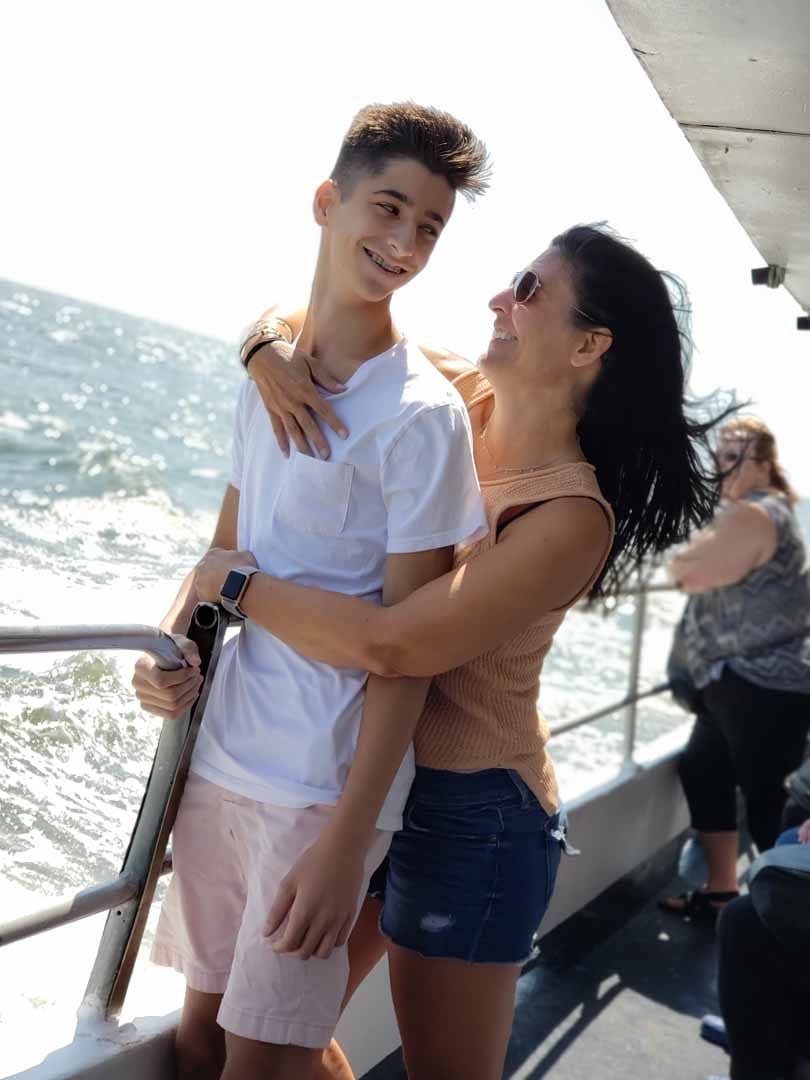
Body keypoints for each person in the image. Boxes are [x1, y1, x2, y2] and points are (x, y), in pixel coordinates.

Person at [170, 223, 722, 1080]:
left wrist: (228, 583)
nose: (500, 300)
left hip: (474, 817)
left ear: (589, 344)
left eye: (530, 290)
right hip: (365, 778)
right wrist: (261, 353)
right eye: (511, 281)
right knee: (270, 1039)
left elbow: (396, 646)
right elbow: (312, 319)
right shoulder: (460, 396)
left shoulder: (570, 516)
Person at [132, 101, 492, 1080]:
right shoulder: (269, 383)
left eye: (428, 227)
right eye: (388, 208)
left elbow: (408, 651)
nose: (405, 242)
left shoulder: (421, 418)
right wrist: (171, 658)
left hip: (321, 790)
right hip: (226, 760)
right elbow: (221, 558)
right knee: (197, 1040)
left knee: (260, 1061)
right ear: (329, 203)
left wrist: (346, 845)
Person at [662, 417, 810, 926]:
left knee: (768, 803)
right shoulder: (757, 512)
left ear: (763, 466)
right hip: (734, 686)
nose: (719, 466)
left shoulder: (755, 515)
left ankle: (784, 921)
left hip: (763, 688)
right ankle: (725, 890)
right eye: (718, 456)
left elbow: (688, 571)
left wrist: (687, 557)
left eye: (732, 457)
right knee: (703, 769)